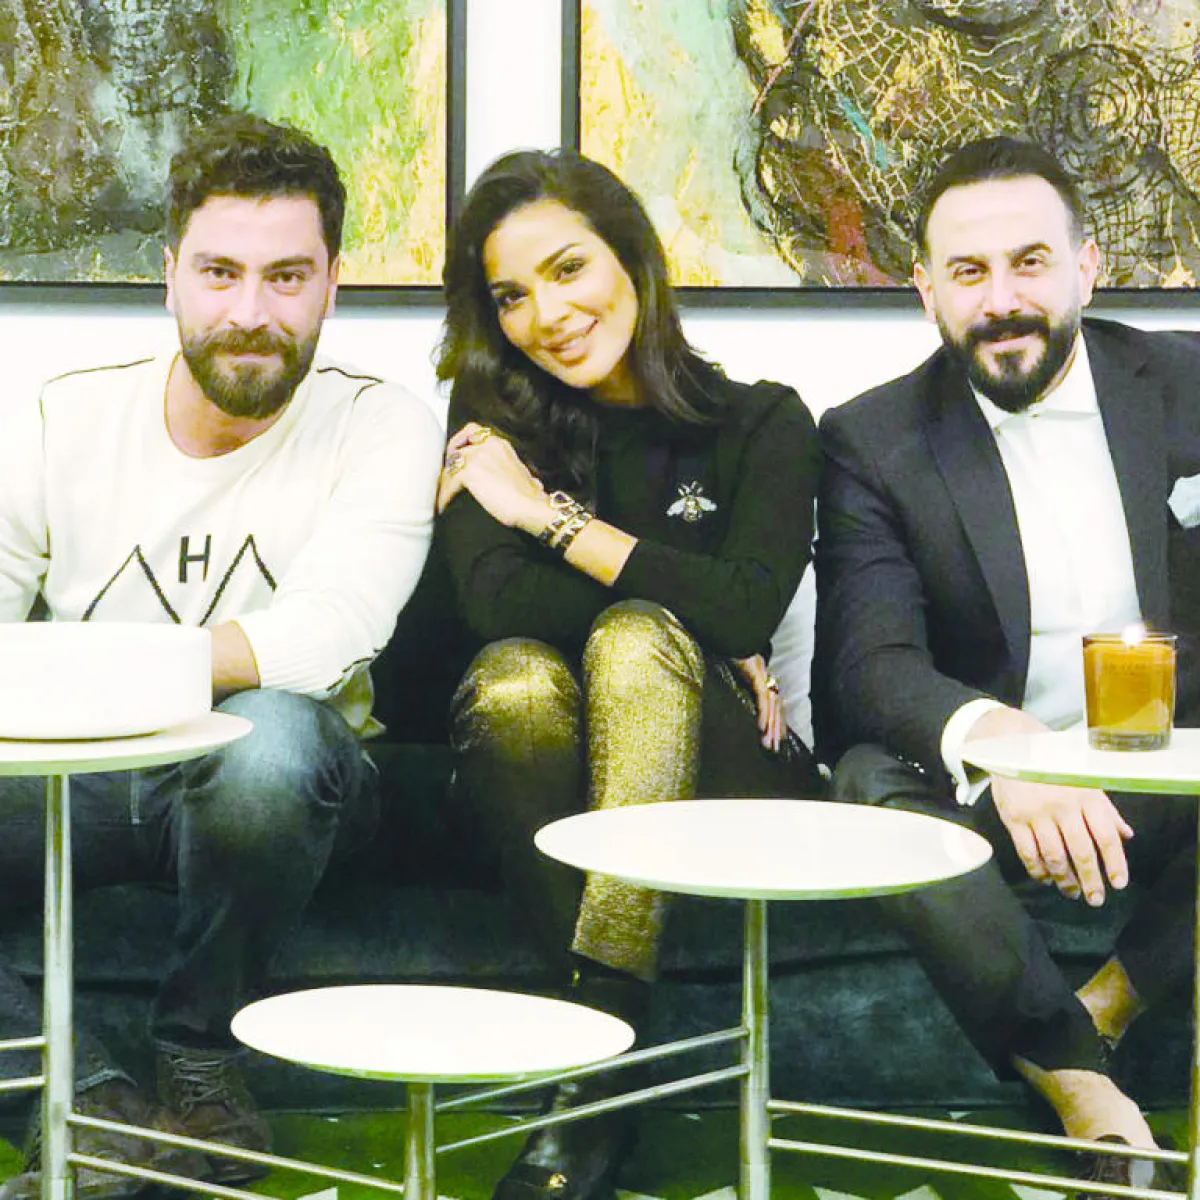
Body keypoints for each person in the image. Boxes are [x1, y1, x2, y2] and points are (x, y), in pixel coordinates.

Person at [0, 112, 443, 1199]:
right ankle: (81, 1103)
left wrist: (94, 672)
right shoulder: (62, 415)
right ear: (169, 277)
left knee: (271, 739)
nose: (250, 313)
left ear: (333, 284)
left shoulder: (382, 425)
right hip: (76, 781)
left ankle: (200, 1065)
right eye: (220, 273)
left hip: (290, 792)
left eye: (286, 276)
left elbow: (327, 633)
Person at [813, 135, 1200, 1190]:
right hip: (987, 792)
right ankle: (1081, 1082)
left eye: (1030, 262)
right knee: (866, 786)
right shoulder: (871, 438)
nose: (1002, 301)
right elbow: (868, 662)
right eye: (969, 272)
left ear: (1088, 265)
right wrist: (1007, 746)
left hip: (1170, 769)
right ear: (925, 290)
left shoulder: (1188, 386)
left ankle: (1105, 1006)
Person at [435, 148, 822, 1200]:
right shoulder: (492, 429)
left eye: (568, 269)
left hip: (730, 775)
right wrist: (694, 609)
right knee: (520, 676)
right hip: (533, 766)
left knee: (636, 644)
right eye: (511, 295)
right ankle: (605, 1073)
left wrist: (547, 521)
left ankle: (594, 1048)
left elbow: (749, 608)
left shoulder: (762, 421)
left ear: (633, 259)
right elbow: (495, 608)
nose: (545, 316)